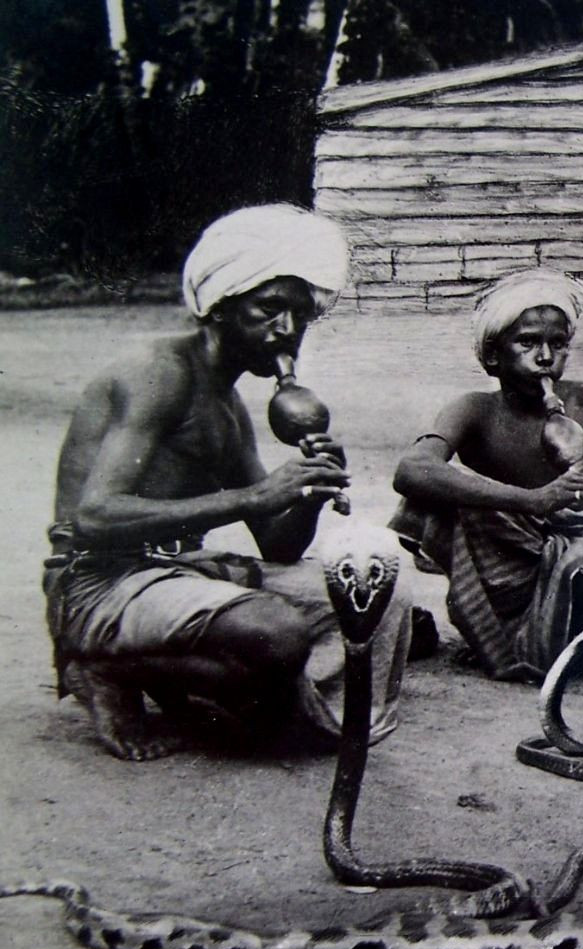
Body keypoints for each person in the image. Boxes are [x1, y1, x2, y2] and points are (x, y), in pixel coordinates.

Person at [45, 204, 411, 761]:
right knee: (276, 631)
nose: (286, 330)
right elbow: (94, 519)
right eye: (269, 309)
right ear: (220, 305)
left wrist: (307, 493)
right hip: (98, 582)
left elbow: (278, 544)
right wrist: (252, 496)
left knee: (379, 599)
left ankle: (270, 705)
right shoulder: (159, 372)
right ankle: (103, 667)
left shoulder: (231, 407)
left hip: (174, 573)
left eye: (299, 316)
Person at [391, 267, 583, 683]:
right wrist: (535, 500)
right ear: (492, 356)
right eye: (527, 343)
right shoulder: (473, 410)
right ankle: (512, 625)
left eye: (558, 344)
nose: (545, 357)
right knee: (421, 504)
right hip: (521, 547)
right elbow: (412, 469)